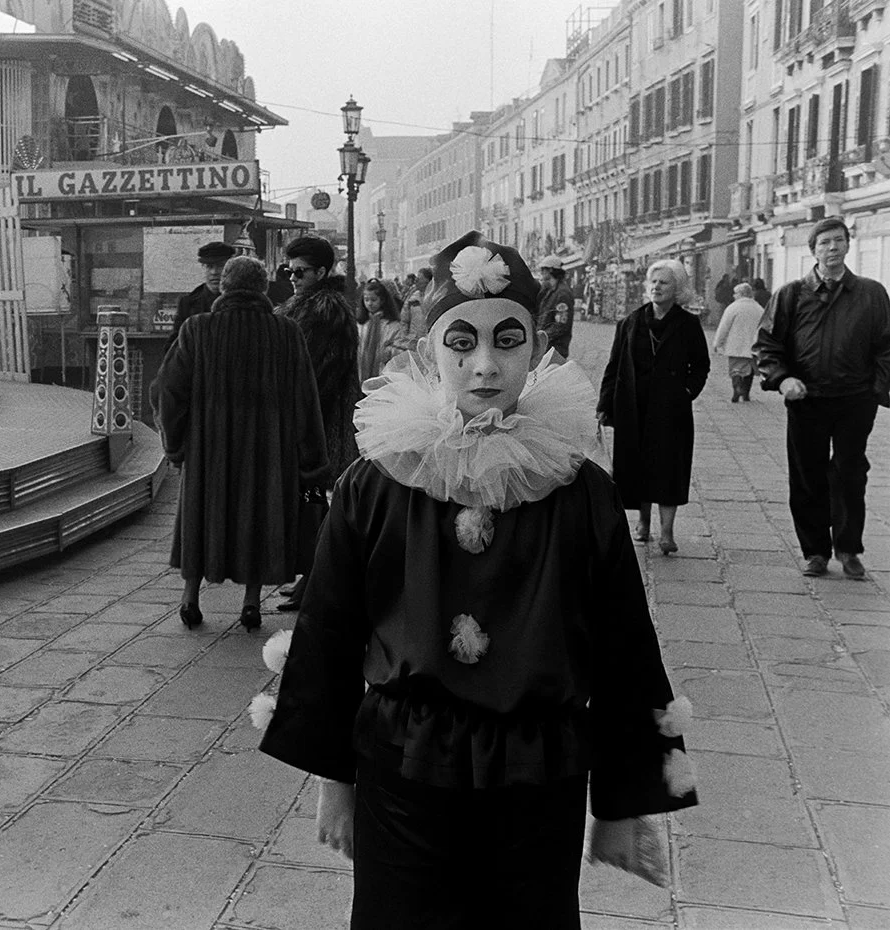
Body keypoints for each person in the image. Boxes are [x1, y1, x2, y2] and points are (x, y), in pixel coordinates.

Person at [259, 231, 697, 929]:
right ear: (431, 351)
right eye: (461, 343)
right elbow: (328, 631)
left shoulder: (578, 491)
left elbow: (621, 645)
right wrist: (333, 783)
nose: (485, 366)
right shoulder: (376, 482)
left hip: (538, 773)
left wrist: (623, 802)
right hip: (403, 768)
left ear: (535, 346)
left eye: (507, 341)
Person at [155, 256, 328, 631]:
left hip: (208, 449)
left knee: (202, 518)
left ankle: (190, 598)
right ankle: (250, 603)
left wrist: (176, 445)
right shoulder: (286, 332)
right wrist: (312, 460)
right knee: (260, 517)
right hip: (269, 450)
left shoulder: (197, 329)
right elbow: (305, 399)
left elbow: (168, 391)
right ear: (263, 289)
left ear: (226, 288)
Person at [754, 216, 890, 580]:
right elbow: (767, 345)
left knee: (850, 473)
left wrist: (877, 390)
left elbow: (886, 346)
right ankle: (814, 551)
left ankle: (848, 549)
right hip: (806, 400)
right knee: (807, 475)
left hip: (853, 400)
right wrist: (782, 380)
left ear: (848, 246)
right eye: (825, 242)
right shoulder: (791, 294)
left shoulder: (871, 293)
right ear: (812, 250)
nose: (833, 248)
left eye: (839, 241)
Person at [597, 259, 710, 555]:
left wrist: (686, 391)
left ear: (678, 289)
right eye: (654, 282)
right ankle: (644, 523)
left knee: (669, 468)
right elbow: (614, 366)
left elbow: (701, 366)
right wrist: (604, 403)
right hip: (632, 407)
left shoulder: (688, 324)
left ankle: (668, 533)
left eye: (664, 282)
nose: (657, 287)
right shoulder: (631, 322)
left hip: (671, 411)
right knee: (636, 468)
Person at [274, 235, 360, 611]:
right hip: (311, 417)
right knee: (314, 502)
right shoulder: (307, 305)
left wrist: (296, 418)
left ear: (322, 272)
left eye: (300, 272)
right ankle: (311, 579)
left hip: (323, 420)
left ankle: (317, 582)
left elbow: (316, 373)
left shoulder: (325, 310)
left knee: (319, 502)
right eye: (289, 271)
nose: (293, 278)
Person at [169, 241, 235, 347]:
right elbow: (173, 347)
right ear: (203, 268)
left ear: (230, 269)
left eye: (220, 266)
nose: (214, 272)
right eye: (209, 266)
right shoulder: (188, 303)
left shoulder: (241, 302)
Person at [712, 282, 766, 403]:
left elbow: (724, 327)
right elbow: (765, 327)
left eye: (735, 293)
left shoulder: (733, 308)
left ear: (741, 294)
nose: (733, 296)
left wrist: (717, 343)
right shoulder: (759, 308)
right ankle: (746, 393)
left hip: (735, 345)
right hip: (753, 346)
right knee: (749, 371)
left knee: (735, 370)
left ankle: (737, 387)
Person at [355, 278, 405, 382]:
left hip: (383, 373)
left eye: (373, 300)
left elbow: (400, 350)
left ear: (382, 300)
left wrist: (386, 352)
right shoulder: (361, 324)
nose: (369, 303)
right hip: (360, 373)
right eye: (366, 300)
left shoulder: (393, 325)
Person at [536, 254, 575, 362]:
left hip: (555, 350)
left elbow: (561, 326)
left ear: (551, 271)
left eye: (544, 269)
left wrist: (540, 337)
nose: (542, 272)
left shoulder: (562, 294)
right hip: (546, 348)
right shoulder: (550, 290)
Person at [398, 266, 433, 347]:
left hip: (429, 343)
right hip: (412, 342)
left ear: (429, 281)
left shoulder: (436, 299)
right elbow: (404, 320)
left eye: (420, 278)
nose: (416, 281)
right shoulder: (412, 298)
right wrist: (405, 338)